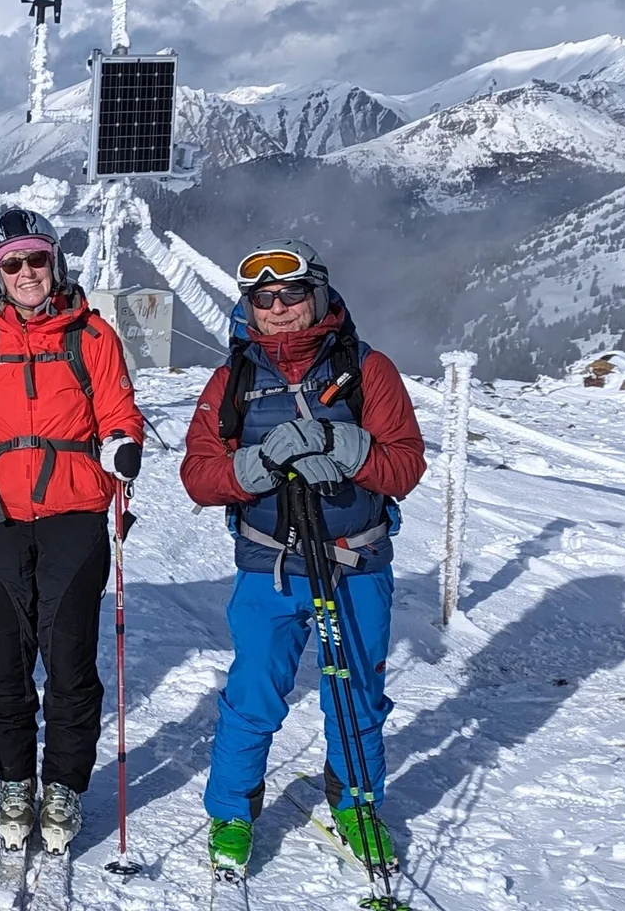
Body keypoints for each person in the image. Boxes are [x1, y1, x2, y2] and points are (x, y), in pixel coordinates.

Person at [180, 239, 425, 875]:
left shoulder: (369, 370)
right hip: (270, 563)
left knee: (357, 688)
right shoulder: (232, 378)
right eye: (264, 299)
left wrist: (352, 449)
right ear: (250, 308)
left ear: (316, 294)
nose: (279, 308)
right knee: (255, 688)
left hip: (355, 561)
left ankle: (357, 802)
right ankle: (232, 810)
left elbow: (405, 466)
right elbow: (200, 477)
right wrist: (259, 463)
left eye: (291, 295)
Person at [0, 209, 143, 855]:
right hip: (1, 522)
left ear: (55, 262)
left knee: (69, 662)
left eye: (36, 259)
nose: (27, 273)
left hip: (74, 519)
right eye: (12, 263)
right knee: (3, 665)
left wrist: (123, 445)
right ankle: (15, 780)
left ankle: (63, 785)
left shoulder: (93, 337)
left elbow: (119, 411)